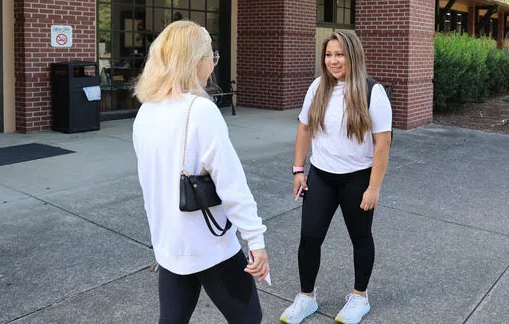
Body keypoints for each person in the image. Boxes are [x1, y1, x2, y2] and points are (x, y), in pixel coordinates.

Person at [132, 20, 269, 324]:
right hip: (210, 245)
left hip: (170, 245)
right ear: (196, 61)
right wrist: (255, 240)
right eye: (211, 55)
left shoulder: (146, 110)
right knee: (249, 318)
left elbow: (148, 182)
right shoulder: (201, 111)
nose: (213, 62)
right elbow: (232, 185)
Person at [280, 31, 392, 324]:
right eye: (329, 55)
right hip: (321, 177)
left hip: (357, 179)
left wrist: (374, 187)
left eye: (339, 54)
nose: (333, 61)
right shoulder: (318, 87)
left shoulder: (372, 91)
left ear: (352, 56)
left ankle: (359, 298)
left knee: (360, 239)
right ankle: (306, 298)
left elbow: (383, 143)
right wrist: (298, 170)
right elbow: (304, 129)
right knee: (309, 238)